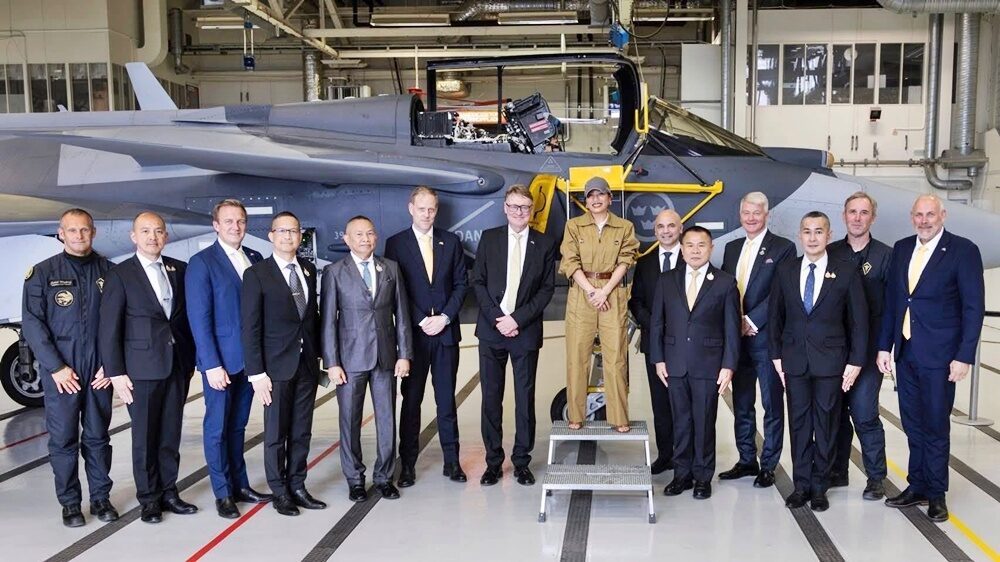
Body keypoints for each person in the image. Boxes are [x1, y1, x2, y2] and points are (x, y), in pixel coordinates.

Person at [878, 195, 984, 523]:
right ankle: (918, 485)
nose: (924, 221)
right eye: (919, 215)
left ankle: (937, 493)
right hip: (906, 352)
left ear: (943, 215)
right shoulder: (902, 248)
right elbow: (894, 302)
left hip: (940, 355)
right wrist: (884, 347)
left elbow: (973, 308)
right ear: (912, 217)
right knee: (912, 423)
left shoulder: (963, 250)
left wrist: (964, 356)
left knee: (935, 424)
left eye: (930, 215)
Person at [22, 208, 118, 527]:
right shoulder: (42, 273)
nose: (79, 236)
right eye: (72, 230)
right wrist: (56, 367)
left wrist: (111, 365)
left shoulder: (111, 272)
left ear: (94, 232)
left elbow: (121, 322)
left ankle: (101, 498)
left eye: (84, 230)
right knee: (63, 439)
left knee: (98, 437)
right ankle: (70, 503)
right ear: (61, 234)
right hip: (62, 371)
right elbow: (33, 324)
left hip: (99, 371)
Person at [99, 211, 197, 524]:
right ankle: (150, 499)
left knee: (170, 433)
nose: (152, 237)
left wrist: (190, 360)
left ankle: (169, 492)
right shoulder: (120, 274)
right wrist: (115, 372)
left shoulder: (179, 269)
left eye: (158, 231)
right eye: (145, 231)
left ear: (165, 236)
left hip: (176, 365)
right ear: (133, 236)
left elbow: (185, 319)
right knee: (144, 437)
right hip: (140, 369)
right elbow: (109, 328)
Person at [769, 211, 867, 512]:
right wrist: (776, 356)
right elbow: (775, 316)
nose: (812, 237)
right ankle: (801, 485)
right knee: (798, 424)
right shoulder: (785, 270)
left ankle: (820, 486)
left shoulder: (846, 271)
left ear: (829, 235)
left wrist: (855, 361)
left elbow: (859, 321)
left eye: (819, 231)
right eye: (807, 231)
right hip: (794, 361)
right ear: (800, 235)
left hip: (831, 363)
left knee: (826, 425)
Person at [186, 199, 271, 519]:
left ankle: (241, 485)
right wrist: (211, 364)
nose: (236, 227)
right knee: (217, 429)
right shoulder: (202, 263)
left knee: (238, 427)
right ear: (216, 225)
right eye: (229, 221)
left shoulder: (255, 257)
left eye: (240, 221)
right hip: (220, 363)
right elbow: (199, 318)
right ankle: (222, 493)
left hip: (249, 362)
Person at [322, 216, 413, 502]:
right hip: (349, 360)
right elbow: (328, 321)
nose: (365, 239)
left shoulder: (391, 268)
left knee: (387, 420)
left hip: (385, 358)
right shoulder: (334, 272)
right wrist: (332, 362)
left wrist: (404, 354)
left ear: (376, 237)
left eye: (370, 233)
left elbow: (402, 315)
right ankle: (355, 479)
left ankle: (384, 477)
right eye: (358, 234)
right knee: (349, 422)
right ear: (346, 239)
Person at [472, 185, 557, 486]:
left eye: (525, 207)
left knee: (524, 398)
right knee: (491, 398)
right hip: (492, 330)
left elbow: (546, 289)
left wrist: (517, 319)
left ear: (531, 211)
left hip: (524, 330)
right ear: (505, 208)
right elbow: (478, 282)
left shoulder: (544, 244)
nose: (519, 211)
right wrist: (498, 319)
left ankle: (522, 461)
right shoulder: (489, 238)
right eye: (514, 206)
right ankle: (493, 462)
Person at [242, 211, 325, 517]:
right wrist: (256, 373)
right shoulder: (256, 274)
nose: (288, 236)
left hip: (306, 364)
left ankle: (298, 485)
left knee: (302, 430)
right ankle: (280, 491)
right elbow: (250, 327)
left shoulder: (308, 269)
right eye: (282, 231)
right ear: (271, 236)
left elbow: (311, 317)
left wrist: (320, 355)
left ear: (301, 235)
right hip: (275, 368)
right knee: (276, 434)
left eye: (294, 231)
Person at [385, 186, 469, 487]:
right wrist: (422, 319)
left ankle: (452, 462)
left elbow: (461, 284)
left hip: (446, 334)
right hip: (415, 337)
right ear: (411, 209)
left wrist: (444, 317)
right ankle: (407, 464)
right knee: (411, 402)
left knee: (446, 402)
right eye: (421, 209)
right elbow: (397, 290)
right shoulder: (396, 244)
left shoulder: (451, 241)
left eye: (431, 209)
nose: (427, 214)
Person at [649, 226, 740, 500]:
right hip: (674, 363)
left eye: (701, 245)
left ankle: (702, 477)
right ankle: (682, 475)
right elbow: (657, 323)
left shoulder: (725, 282)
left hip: (708, 365)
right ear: (682, 249)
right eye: (690, 245)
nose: (695, 250)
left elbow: (732, 328)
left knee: (704, 422)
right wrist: (658, 359)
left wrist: (728, 365)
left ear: (711, 248)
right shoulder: (667, 280)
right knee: (681, 422)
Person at [719, 191, 795, 488]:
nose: (751, 218)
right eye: (746, 213)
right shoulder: (732, 248)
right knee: (741, 403)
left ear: (767, 215)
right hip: (737, 341)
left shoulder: (783, 248)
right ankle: (747, 459)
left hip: (766, 339)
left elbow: (781, 291)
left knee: (772, 404)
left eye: (757, 212)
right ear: (740, 215)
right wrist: (731, 324)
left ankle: (769, 465)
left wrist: (750, 321)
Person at [560, 176, 639, 432]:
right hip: (581, 295)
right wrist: (591, 291)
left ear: (610, 198)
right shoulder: (573, 226)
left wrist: (604, 291)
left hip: (612, 294)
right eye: (590, 195)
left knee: (616, 358)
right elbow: (570, 261)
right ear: (585, 200)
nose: (595, 199)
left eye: (600, 194)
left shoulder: (624, 227)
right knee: (577, 357)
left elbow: (626, 260)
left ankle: (619, 418)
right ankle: (576, 415)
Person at [827, 192, 890, 500]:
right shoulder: (830, 253)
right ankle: (837, 471)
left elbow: (892, 306)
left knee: (864, 414)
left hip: (868, 353)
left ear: (872, 219)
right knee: (835, 414)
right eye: (852, 211)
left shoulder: (885, 256)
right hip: (834, 351)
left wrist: (885, 347)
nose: (857, 217)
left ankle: (876, 477)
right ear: (844, 216)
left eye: (864, 212)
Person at [628, 209, 682, 474]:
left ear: (680, 229)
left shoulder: (692, 258)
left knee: (684, 403)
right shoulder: (646, 263)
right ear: (655, 230)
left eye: (671, 226)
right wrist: (654, 324)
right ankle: (666, 455)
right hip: (655, 344)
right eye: (661, 226)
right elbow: (635, 301)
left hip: (685, 344)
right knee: (660, 404)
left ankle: (686, 456)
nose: (666, 231)